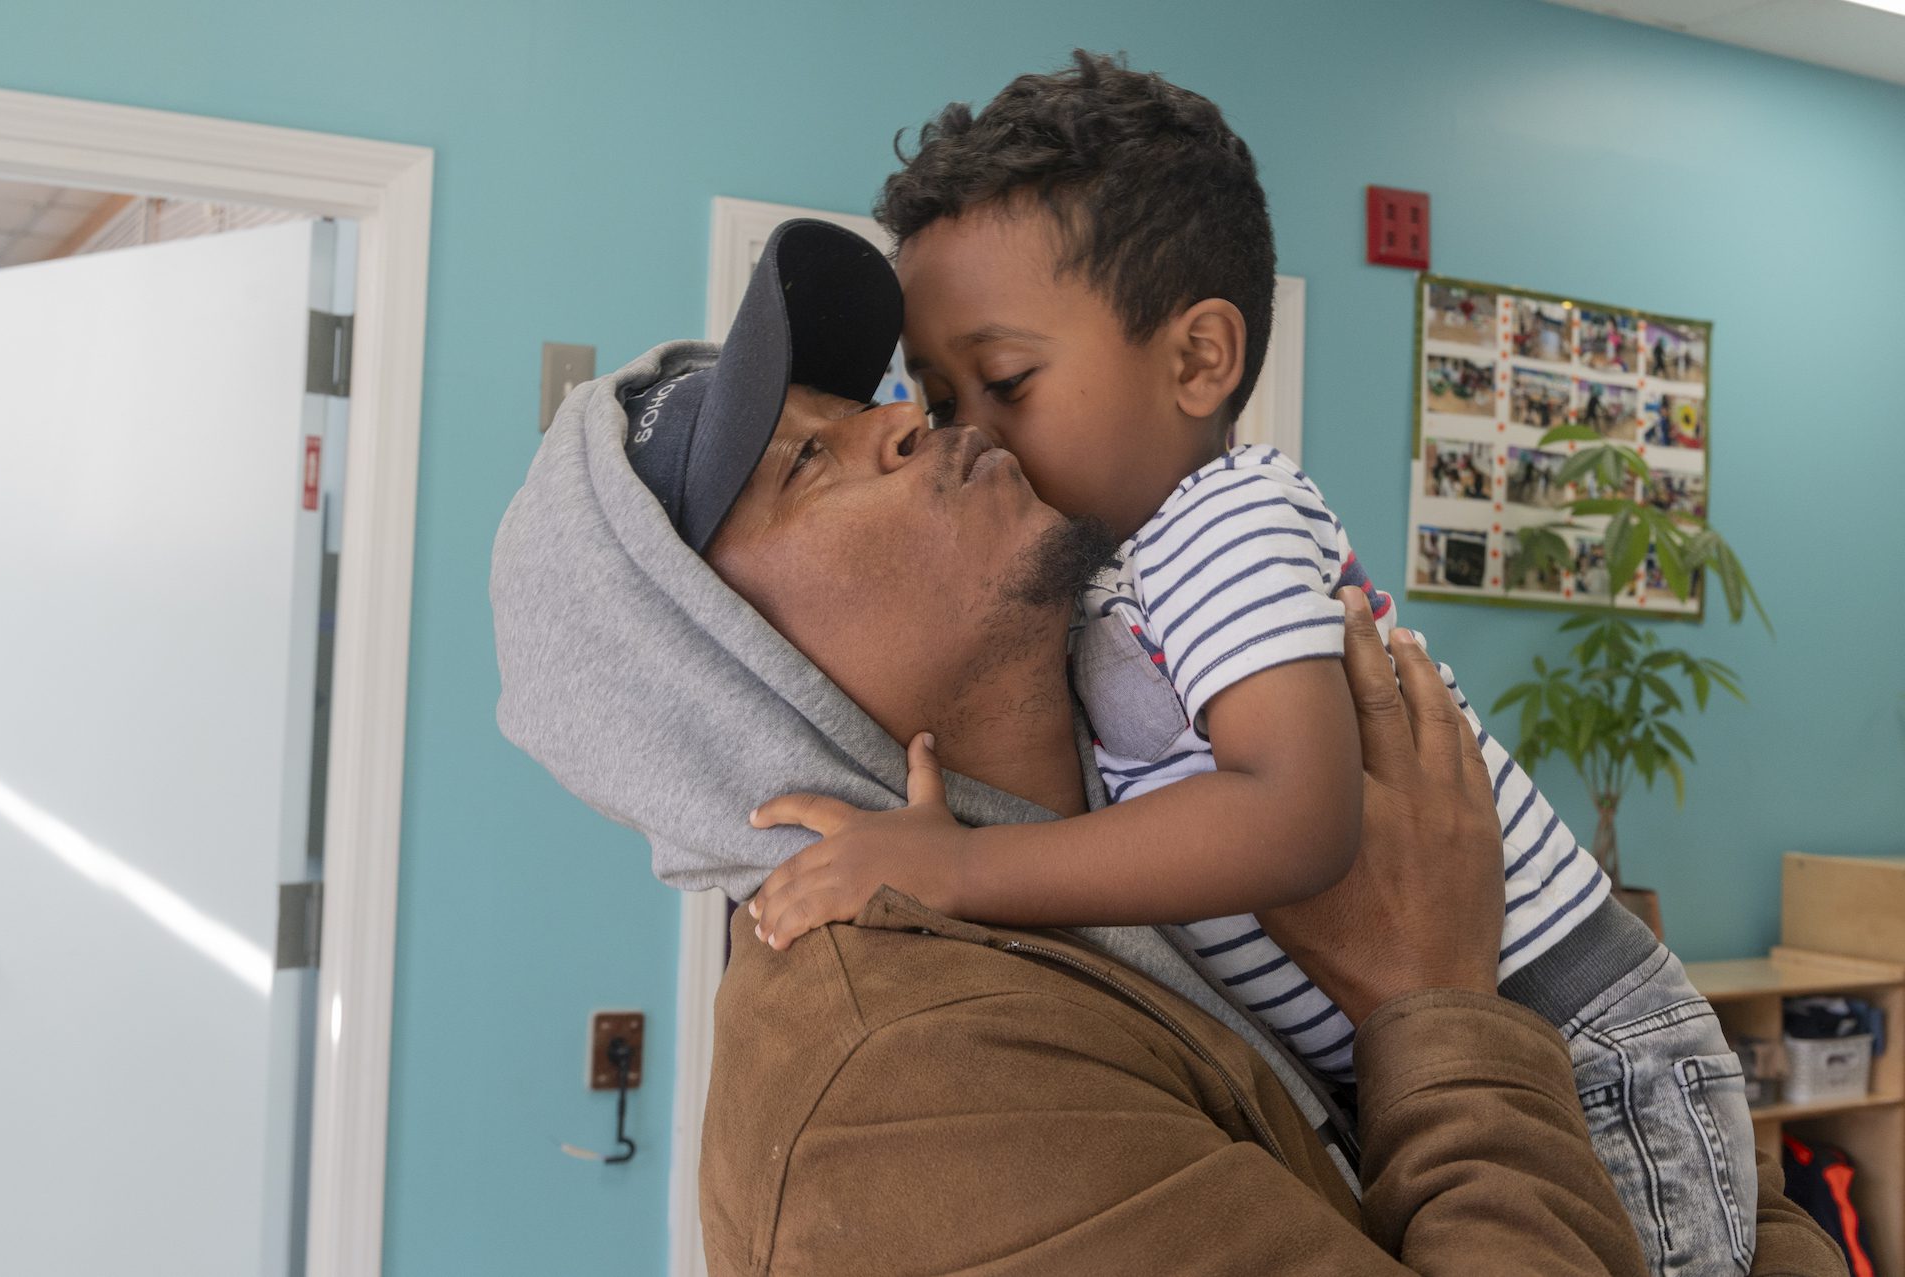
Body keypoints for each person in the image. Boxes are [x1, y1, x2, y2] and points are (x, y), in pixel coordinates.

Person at [488, 218, 1841, 1275]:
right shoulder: (901, 1084)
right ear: (728, 673)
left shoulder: (1152, 804)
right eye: (809, 464)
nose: (911, 418)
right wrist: (1437, 1001)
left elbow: (1678, 1154)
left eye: (867, 403)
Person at [744, 54, 1761, 1277]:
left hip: (1585, 1044)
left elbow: (1294, 817)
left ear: (1198, 360)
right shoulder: (1107, 580)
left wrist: (962, 865)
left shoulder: (1224, 522)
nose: (963, 432)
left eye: (1007, 380)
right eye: (940, 390)